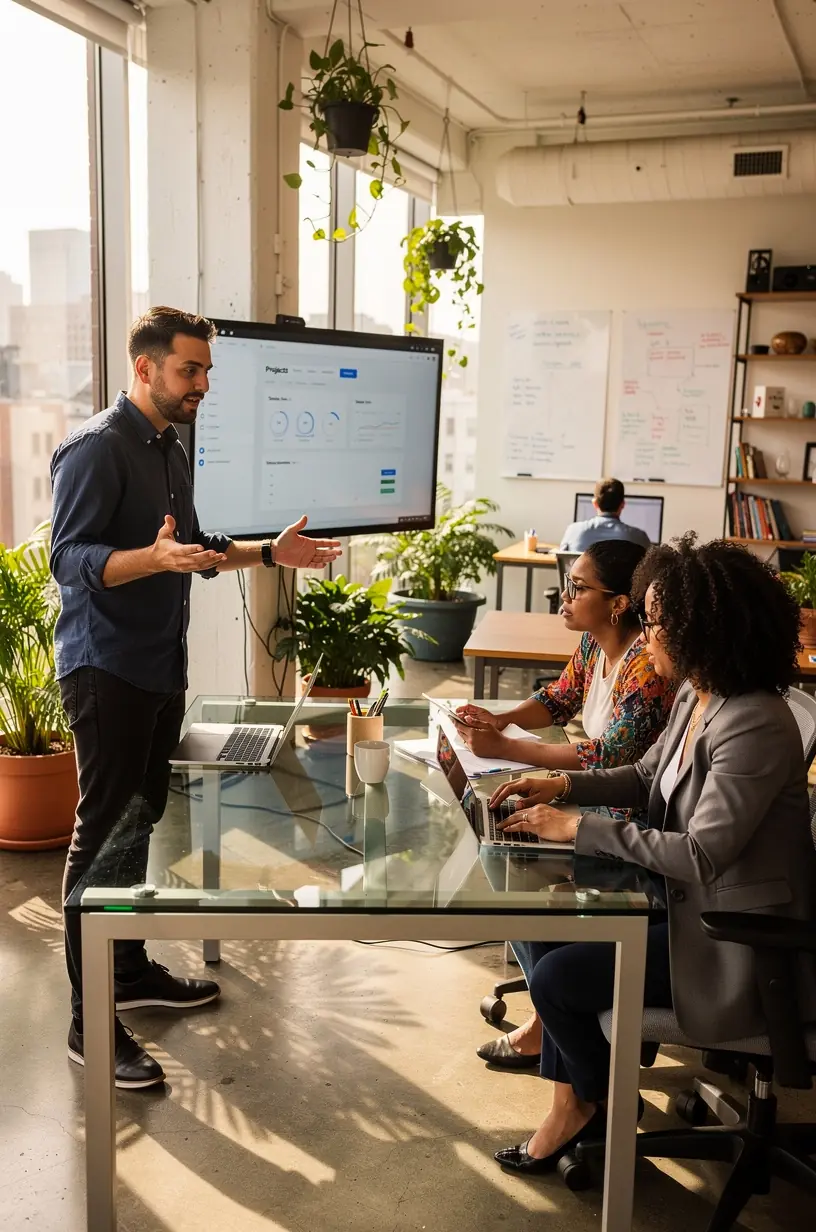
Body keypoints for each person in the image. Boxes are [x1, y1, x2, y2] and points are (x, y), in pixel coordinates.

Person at [50, 307, 341, 1090]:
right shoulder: (97, 449)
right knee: (101, 839)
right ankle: (89, 1019)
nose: (202, 385)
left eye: (207, 371)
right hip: (105, 667)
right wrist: (146, 558)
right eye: (190, 370)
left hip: (157, 665)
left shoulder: (171, 445)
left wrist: (267, 553)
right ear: (144, 369)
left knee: (138, 826)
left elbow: (197, 551)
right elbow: (69, 560)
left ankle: (132, 971)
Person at [485, 535, 816, 1175]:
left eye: (657, 620)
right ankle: (589, 1101)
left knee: (557, 979)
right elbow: (642, 778)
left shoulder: (752, 723)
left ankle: (591, 1104)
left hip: (739, 944)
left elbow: (701, 854)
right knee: (546, 930)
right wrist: (561, 786)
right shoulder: (700, 694)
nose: (647, 632)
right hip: (687, 908)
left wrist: (575, 828)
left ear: (699, 629)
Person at [457, 539, 676, 1068]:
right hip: (603, 798)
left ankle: (546, 1019)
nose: (565, 597)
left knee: (515, 863)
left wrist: (508, 749)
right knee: (504, 849)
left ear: (619, 603)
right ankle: (551, 1012)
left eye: (578, 589)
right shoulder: (593, 646)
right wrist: (501, 717)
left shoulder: (646, 669)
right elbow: (560, 697)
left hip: (630, 813)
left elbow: (609, 756)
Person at [560, 477, 651, 552]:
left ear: (595, 503)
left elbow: (562, 562)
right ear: (622, 504)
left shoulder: (573, 531)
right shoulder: (639, 537)